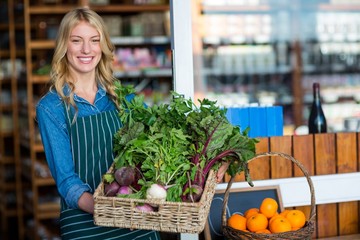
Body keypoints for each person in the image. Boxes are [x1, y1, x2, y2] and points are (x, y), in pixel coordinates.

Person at [36, 7, 161, 240]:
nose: (86, 49)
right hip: (85, 223)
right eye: (77, 40)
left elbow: (157, 143)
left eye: (94, 40)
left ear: (102, 47)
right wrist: (106, 209)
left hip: (134, 221)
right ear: (64, 46)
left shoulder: (123, 98)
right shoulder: (51, 107)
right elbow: (66, 181)